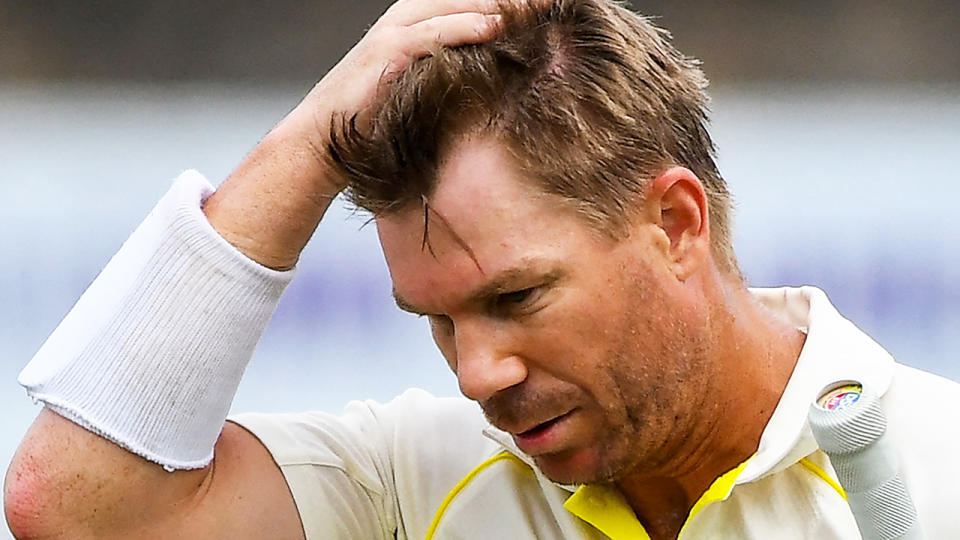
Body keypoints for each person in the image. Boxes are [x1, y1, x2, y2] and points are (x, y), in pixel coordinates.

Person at [5, 0, 959, 538]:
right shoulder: (414, 483)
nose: (476, 376)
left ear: (674, 223)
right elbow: (74, 513)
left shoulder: (941, 469)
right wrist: (314, 141)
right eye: (441, 319)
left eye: (517, 296)